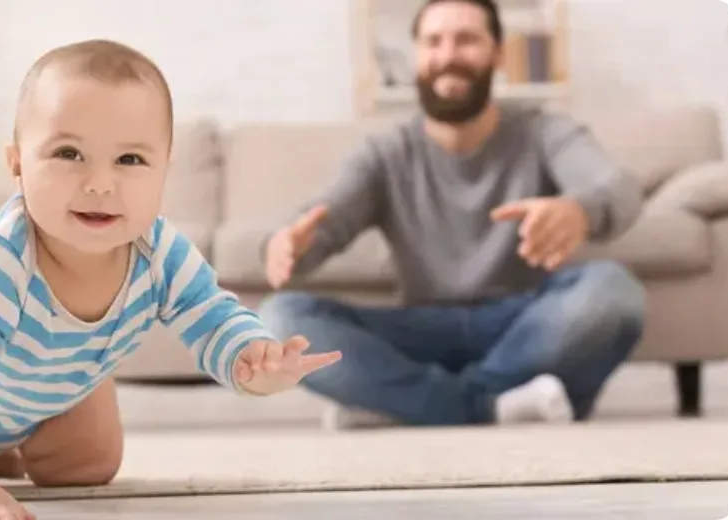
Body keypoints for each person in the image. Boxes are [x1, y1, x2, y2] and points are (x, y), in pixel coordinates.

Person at [0, 40, 341, 520]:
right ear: (17, 165)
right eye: (69, 153)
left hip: (60, 390)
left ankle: (10, 450)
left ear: (163, 174)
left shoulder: (160, 253)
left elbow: (210, 312)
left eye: (129, 160)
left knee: (90, 467)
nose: (99, 183)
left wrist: (250, 357)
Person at [258, 0, 646, 430]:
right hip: (421, 331)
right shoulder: (385, 153)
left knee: (614, 291)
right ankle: (496, 405)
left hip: (520, 327)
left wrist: (580, 211)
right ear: (417, 55)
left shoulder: (544, 132)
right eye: (433, 42)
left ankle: (406, 403)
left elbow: (621, 188)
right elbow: (323, 221)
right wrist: (287, 245)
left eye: (466, 40)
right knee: (279, 319)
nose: (448, 56)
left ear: (499, 53)